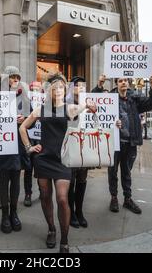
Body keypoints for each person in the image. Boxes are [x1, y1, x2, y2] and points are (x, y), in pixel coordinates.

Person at [19, 73, 96, 253]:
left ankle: (65, 238)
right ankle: (52, 229)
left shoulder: (69, 109)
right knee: (45, 197)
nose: (59, 90)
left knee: (62, 199)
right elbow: (23, 128)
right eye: (56, 88)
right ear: (50, 91)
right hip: (43, 159)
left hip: (62, 160)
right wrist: (29, 147)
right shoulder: (41, 109)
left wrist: (89, 105)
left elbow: (84, 107)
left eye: (62, 87)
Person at [108, 75, 152, 215]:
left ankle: (127, 199)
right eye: (120, 81)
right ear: (116, 83)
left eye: (126, 80)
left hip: (130, 142)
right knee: (112, 171)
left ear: (129, 83)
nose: (123, 82)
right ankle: (113, 198)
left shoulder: (135, 99)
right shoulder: (109, 98)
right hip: (114, 142)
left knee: (127, 172)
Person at [0, 66, 29, 233]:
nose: (15, 80)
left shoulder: (24, 96)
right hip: (2, 142)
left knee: (15, 178)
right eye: (12, 77)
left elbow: (32, 119)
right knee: (4, 177)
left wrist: (25, 120)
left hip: (18, 142)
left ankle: (14, 213)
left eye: (17, 77)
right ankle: (5, 215)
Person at [66, 76, 89, 228]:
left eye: (83, 85)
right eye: (77, 85)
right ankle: (71, 213)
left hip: (85, 145)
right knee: (71, 180)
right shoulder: (66, 104)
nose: (80, 88)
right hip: (70, 145)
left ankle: (79, 212)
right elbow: (71, 114)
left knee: (82, 179)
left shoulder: (88, 103)